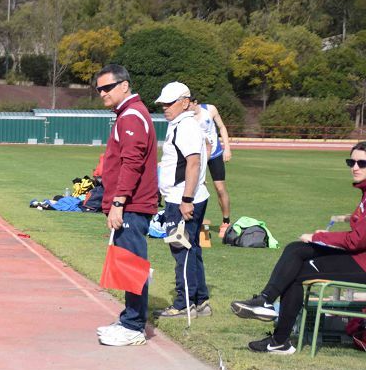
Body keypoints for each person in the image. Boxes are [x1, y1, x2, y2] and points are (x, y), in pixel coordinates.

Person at [231, 142, 366, 353]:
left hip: (362, 264)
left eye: (362, 163)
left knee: (295, 270)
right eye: (351, 162)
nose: (355, 167)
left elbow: (356, 240)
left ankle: (277, 334)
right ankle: (267, 306)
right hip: (357, 257)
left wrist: (319, 236)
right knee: (296, 249)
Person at [94, 64, 159, 347]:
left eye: (107, 88)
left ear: (124, 85)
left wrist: (119, 201)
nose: (102, 94)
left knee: (132, 263)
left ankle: (133, 326)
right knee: (126, 263)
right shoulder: (128, 114)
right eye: (99, 89)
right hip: (129, 203)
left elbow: (132, 162)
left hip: (132, 204)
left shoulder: (132, 116)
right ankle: (129, 319)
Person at [153, 82, 211, 320]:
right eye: (163, 103)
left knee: (181, 250)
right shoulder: (182, 124)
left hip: (183, 198)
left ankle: (183, 303)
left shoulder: (185, 126)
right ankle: (200, 300)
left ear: (185, 102)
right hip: (189, 196)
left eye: (170, 103)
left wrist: (186, 199)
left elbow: (193, 163)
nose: (165, 108)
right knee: (193, 249)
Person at [192, 97, 233, 239]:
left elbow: (221, 127)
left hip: (215, 153)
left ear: (195, 102)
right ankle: (194, 221)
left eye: (189, 104)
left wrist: (227, 148)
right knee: (194, 187)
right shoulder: (186, 117)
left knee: (220, 188)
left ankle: (226, 221)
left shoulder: (210, 109)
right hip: (198, 155)